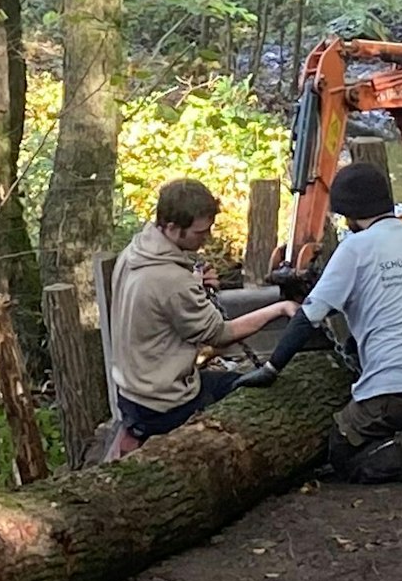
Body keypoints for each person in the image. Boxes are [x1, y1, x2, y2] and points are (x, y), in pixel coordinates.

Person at [236, 162, 402, 483]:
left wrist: (271, 369)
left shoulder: (355, 247)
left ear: (349, 213)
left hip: (397, 388)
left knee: (343, 452)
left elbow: (309, 316)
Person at [107, 178, 300, 456]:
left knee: (221, 378)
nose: (205, 239)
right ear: (172, 227)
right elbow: (220, 334)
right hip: (165, 402)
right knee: (251, 392)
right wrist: (278, 309)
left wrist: (194, 284)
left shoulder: (134, 253)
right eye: (200, 233)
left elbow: (162, 305)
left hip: (130, 393)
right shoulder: (172, 280)